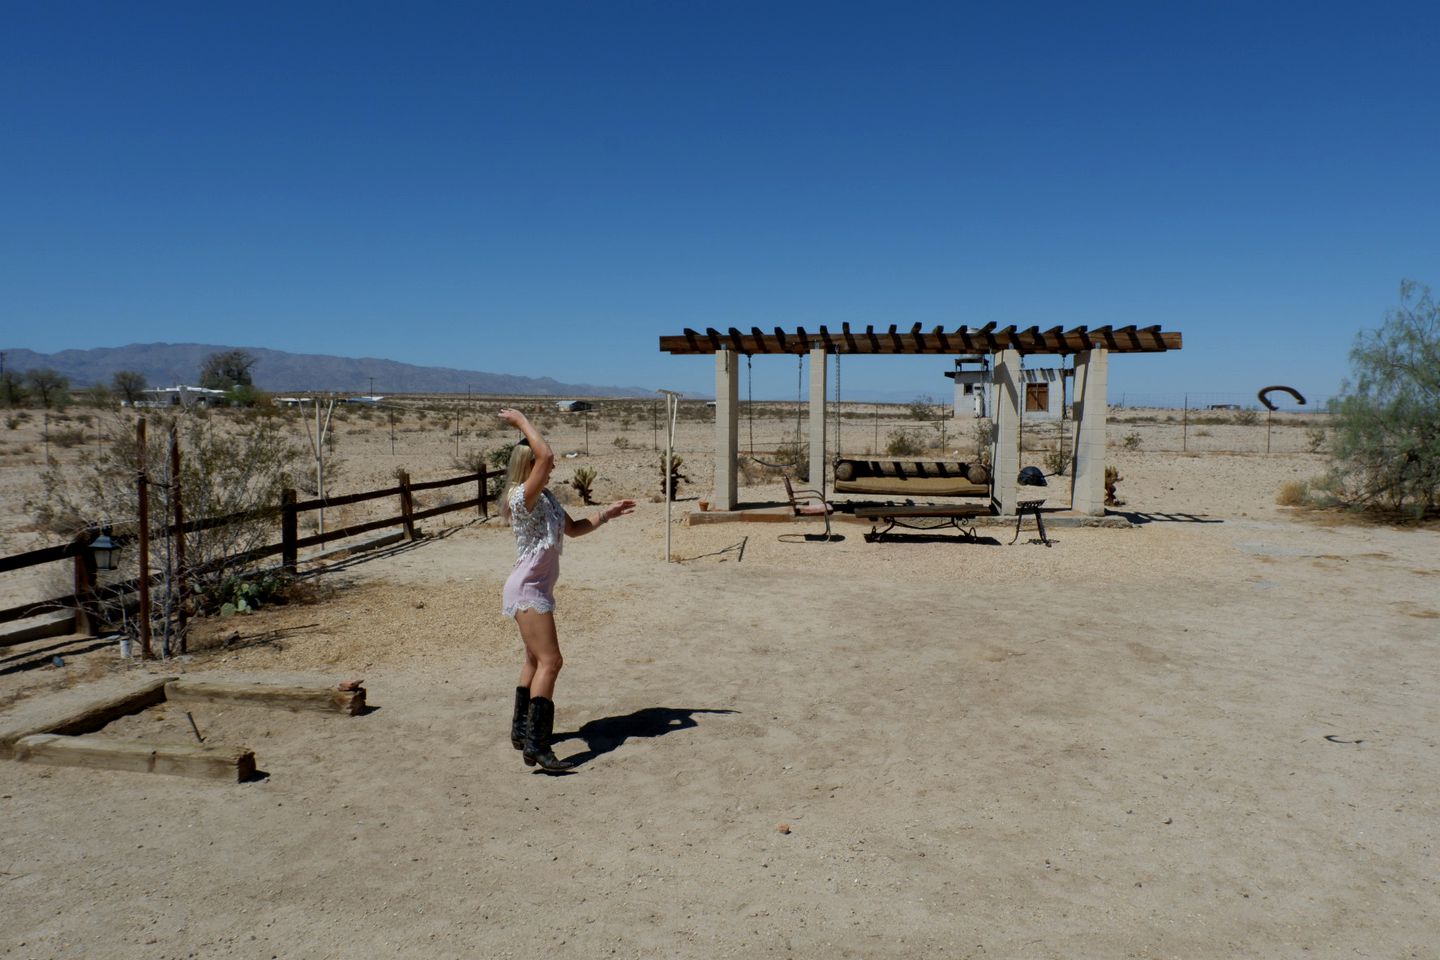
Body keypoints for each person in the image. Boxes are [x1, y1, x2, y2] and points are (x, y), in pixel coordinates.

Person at [497, 407, 636, 772]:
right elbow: (547, 454)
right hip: (527, 588)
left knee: (533, 660)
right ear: (529, 464)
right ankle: (538, 746)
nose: (552, 467)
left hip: (536, 587)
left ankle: (522, 732)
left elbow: (573, 529)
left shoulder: (545, 499)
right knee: (552, 662)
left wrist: (607, 514)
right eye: (542, 463)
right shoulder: (521, 497)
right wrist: (522, 422)